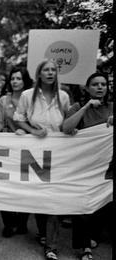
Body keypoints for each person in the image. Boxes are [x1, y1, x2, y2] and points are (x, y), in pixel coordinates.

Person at [13, 59, 70, 260]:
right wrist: (31, 131)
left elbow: (66, 123)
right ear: (39, 74)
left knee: (53, 199)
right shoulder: (28, 96)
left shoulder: (63, 97)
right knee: (38, 195)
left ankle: (51, 245)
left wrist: (72, 130)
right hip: (35, 154)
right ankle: (43, 233)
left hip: (58, 155)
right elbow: (18, 117)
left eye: (53, 70)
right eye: (46, 69)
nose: (50, 73)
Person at [62, 72, 113, 260]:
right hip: (84, 166)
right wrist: (85, 107)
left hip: (107, 167)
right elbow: (66, 128)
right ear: (87, 88)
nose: (100, 87)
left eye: (103, 84)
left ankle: (93, 236)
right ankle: (85, 248)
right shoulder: (77, 106)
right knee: (83, 207)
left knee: (102, 206)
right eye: (95, 84)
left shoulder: (112, 108)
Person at [0, 67, 33, 237]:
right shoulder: (4, 100)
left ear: (25, 80)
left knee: (25, 185)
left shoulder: (33, 98)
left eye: (18, 78)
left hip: (28, 148)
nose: (15, 81)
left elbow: (37, 123)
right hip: (8, 148)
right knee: (4, 186)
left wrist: (26, 132)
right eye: (12, 78)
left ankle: (22, 222)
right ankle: (8, 224)